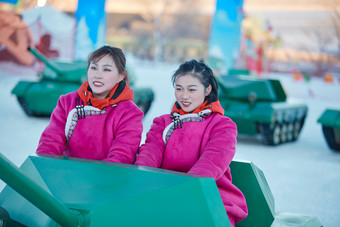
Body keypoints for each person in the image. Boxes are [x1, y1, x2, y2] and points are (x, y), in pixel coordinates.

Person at [135, 59, 248, 226]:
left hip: (208, 197)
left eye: (192, 89)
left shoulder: (222, 126)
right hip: (163, 193)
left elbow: (211, 162)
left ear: (207, 90)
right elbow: (150, 154)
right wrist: (140, 178)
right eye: (179, 89)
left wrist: (185, 191)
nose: (184, 96)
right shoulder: (163, 123)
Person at [36, 45, 143, 164]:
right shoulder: (67, 102)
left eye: (106, 69)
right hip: (69, 173)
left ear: (121, 76)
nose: (98, 75)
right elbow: (51, 141)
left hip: (107, 178)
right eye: (93, 68)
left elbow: (122, 154)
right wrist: (44, 166)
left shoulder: (130, 113)